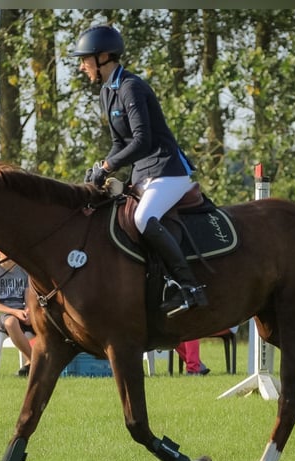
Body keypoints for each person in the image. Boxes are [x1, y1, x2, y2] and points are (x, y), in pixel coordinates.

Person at [73, 24, 209, 318]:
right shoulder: (107, 93)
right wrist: (99, 168)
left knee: (143, 217)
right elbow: (118, 143)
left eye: (85, 59)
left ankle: (188, 286)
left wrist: (109, 166)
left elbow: (142, 140)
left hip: (168, 170)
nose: (82, 66)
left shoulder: (131, 87)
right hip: (143, 173)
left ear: (104, 56)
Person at [0, 249, 34, 377]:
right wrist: (15, 312)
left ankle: (30, 365)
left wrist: (29, 311)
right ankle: (38, 363)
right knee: (11, 322)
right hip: (0, 314)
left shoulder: (23, 270)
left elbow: (28, 299)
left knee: (46, 319)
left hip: (21, 312)